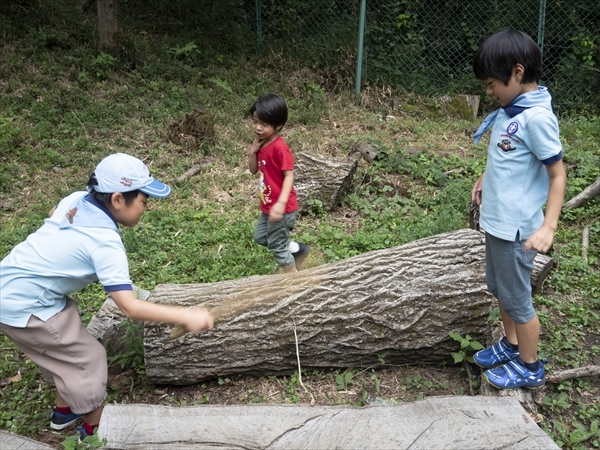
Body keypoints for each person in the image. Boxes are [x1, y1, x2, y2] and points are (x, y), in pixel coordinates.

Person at [0, 153, 214, 438]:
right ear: (117, 199)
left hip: (12, 286)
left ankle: (65, 411)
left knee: (62, 347)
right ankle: (93, 429)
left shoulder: (76, 199)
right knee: (87, 359)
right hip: (26, 305)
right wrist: (186, 315)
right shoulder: (104, 244)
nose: (146, 207)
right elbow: (129, 306)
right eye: (143, 201)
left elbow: (53, 212)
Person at [470, 30, 566, 389]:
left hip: (515, 230)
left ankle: (530, 366)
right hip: (496, 223)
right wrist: (485, 178)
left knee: (517, 299)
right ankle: (511, 346)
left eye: (493, 82)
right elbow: (507, 158)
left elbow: (557, 175)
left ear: (517, 72)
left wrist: (548, 228)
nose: (489, 90)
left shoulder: (536, 117)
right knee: (500, 289)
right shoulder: (511, 112)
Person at [248, 94, 309, 273]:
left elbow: (289, 176)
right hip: (268, 207)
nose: (258, 128)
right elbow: (253, 170)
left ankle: (293, 281)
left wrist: (281, 204)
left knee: (278, 247)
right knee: (260, 237)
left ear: (278, 125)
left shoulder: (280, 148)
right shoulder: (261, 143)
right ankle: (297, 251)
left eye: (265, 124)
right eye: (255, 122)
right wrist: (253, 152)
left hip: (282, 208)